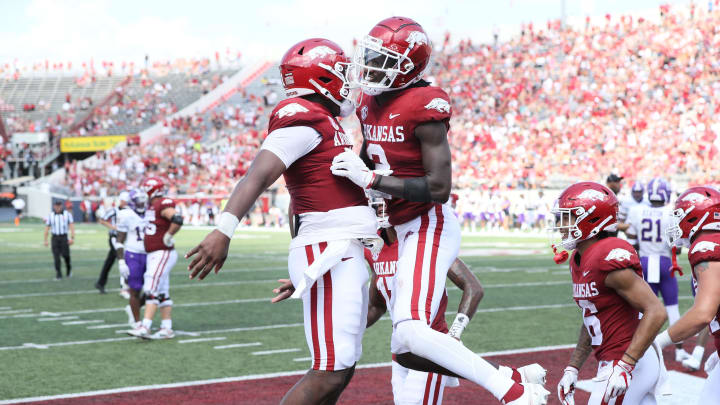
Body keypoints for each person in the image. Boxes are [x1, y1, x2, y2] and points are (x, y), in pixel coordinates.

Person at [333, 16, 548, 405]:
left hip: (427, 221)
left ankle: (513, 390)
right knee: (405, 343)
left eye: (383, 61)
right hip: (397, 223)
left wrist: (370, 181)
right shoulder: (366, 100)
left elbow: (438, 187)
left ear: (408, 65)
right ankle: (512, 378)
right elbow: (371, 153)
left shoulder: (424, 103)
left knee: (411, 332)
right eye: (371, 57)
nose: (371, 68)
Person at [186, 38, 379, 405]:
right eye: (341, 72)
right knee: (329, 371)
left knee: (344, 366)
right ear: (320, 77)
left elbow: (299, 201)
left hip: (335, 250)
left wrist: (305, 267)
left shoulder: (324, 120)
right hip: (329, 248)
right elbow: (257, 176)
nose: (348, 80)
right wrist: (223, 230)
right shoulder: (301, 116)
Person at [274, 197, 547, 405]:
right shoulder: (375, 251)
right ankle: (515, 377)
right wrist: (335, 320)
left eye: (385, 206)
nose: (380, 212)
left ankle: (514, 382)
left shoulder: (422, 246)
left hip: (431, 347)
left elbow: (473, 287)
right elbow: (376, 305)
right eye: (376, 207)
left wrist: (455, 332)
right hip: (401, 352)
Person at [549, 182, 668, 405]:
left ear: (592, 220)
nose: (560, 225)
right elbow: (593, 312)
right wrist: (573, 367)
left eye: (568, 217)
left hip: (629, 360)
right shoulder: (579, 257)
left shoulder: (606, 256)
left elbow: (656, 311)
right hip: (622, 360)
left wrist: (625, 365)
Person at [654, 185, 720, 404]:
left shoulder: (706, 246)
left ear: (696, 217)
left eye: (680, 216)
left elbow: (703, 313)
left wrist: (659, 341)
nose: (675, 223)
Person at [624, 178, 690, 362]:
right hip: (664, 263)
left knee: (644, 309)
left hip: (644, 262)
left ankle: (638, 351)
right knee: (672, 307)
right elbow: (677, 247)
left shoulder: (636, 211)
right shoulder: (671, 213)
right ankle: (679, 351)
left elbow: (631, 240)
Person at [127, 177, 182, 340]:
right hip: (155, 253)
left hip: (162, 252)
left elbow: (177, 219)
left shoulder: (162, 203)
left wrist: (169, 235)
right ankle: (167, 327)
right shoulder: (152, 205)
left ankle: (145, 326)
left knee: (151, 287)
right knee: (162, 291)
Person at [117, 190, 149, 328]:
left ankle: (132, 309)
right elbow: (119, 240)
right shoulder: (125, 215)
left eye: (143, 200)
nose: (141, 203)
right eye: (138, 200)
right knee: (135, 290)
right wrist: (121, 261)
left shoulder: (151, 213)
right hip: (133, 255)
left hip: (151, 254)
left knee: (152, 291)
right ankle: (137, 323)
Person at [95, 191, 129, 294]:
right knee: (122, 260)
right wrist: (114, 227)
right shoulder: (114, 210)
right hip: (115, 238)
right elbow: (102, 220)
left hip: (124, 238)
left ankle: (100, 283)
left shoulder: (129, 211)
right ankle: (124, 286)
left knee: (109, 261)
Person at [44, 200, 75, 280]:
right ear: (54, 206)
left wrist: (72, 238)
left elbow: (71, 226)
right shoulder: (50, 215)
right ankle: (59, 274)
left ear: (61, 206)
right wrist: (45, 240)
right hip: (54, 238)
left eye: (59, 205)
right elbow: (47, 228)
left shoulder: (67, 214)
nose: (58, 207)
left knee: (66, 255)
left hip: (64, 237)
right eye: (56, 205)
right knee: (56, 257)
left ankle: (69, 269)